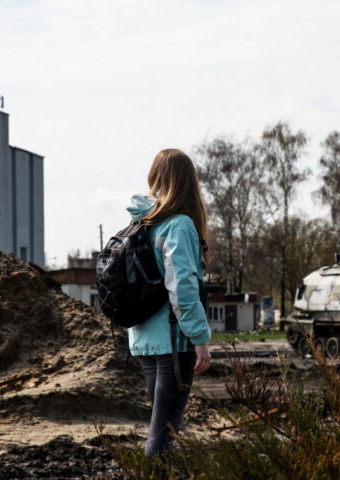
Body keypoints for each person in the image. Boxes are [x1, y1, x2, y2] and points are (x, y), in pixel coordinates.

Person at [126, 149, 212, 459]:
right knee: (162, 436)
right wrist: (200, 339)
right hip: (173, 342)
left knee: (160, 430)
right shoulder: (179, 225)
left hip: (143, 340)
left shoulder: (141, 224)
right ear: (188, 182)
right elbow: (182, 287)